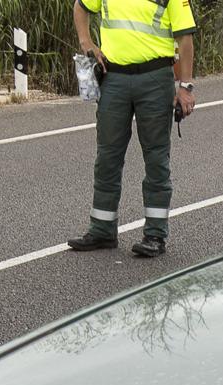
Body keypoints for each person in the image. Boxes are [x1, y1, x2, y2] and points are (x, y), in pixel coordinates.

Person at [68, 0, 196, 257]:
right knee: (107, 157)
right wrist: (86, 42)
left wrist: (185, 86)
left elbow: (185, 41)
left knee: (157, 159)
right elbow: (80, 7)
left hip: (155, 78)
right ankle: (102, 230)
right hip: (114, 79)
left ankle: (155, 235)